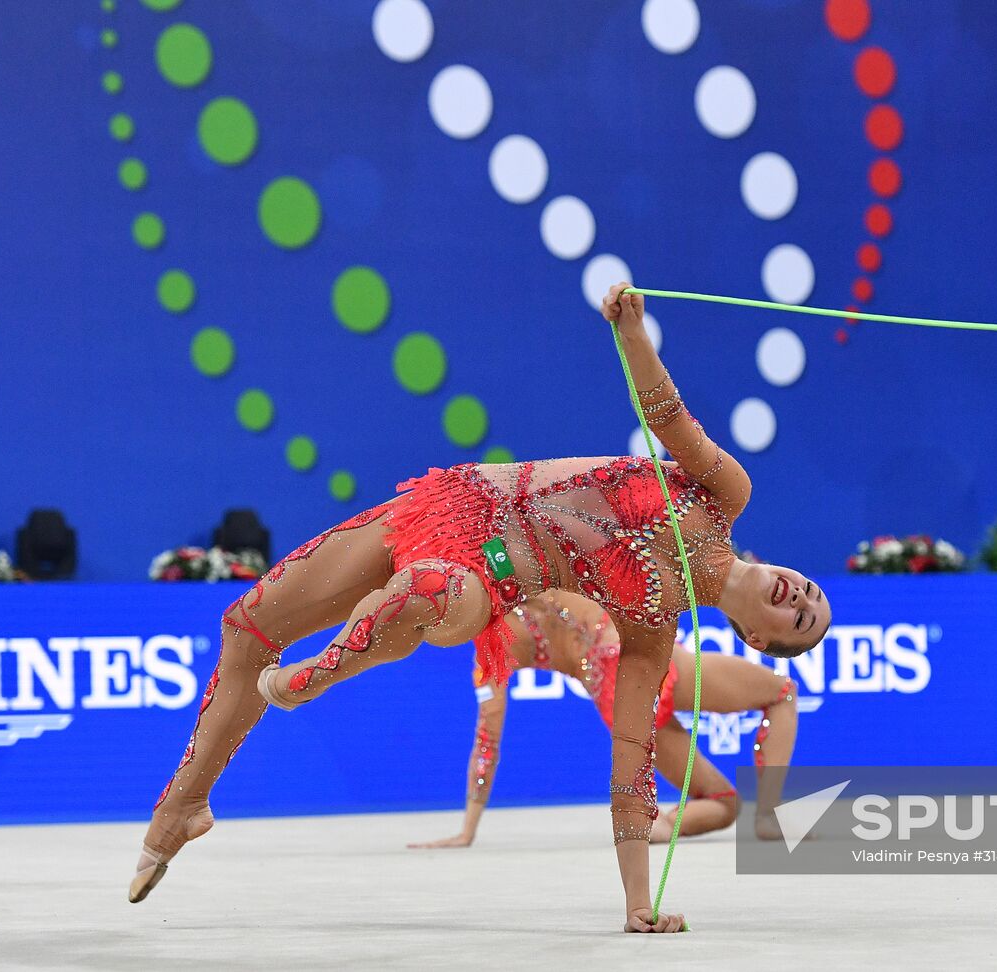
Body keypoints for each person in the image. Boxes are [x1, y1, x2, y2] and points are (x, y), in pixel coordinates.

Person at [127, 283, 831, 934]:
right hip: (448, 503)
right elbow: (667, 415)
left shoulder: (650, 634)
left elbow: (631, 768)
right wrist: (632, 334)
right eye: (809, 590)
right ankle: (184, 805)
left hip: (478, 583)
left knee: (425, 590)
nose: (799, 597)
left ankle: (325, 673)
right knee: (246, 624)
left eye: (801, 619)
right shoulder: (723, 493)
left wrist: (639, 905)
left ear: (758, 639)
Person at [409, 591, 799, 850]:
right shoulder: (526, 569)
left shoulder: (488, 651)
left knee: (723, 803)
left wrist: (468, 830)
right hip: (639, 655)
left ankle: (652, 827)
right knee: (781, 693)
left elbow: (487, 739)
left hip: (617, 698)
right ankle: (767, 812)